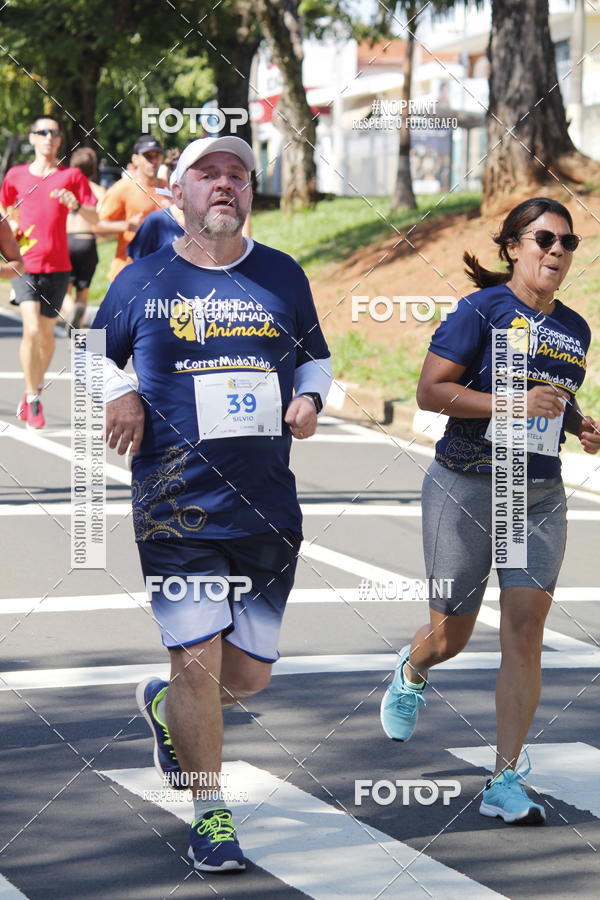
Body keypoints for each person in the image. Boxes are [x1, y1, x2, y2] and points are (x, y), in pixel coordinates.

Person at [92, 135, 332, 871]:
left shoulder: (282, 275)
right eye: (208, 173)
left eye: (237, 175)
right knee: (195, 660)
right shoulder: (142, 279)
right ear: (181, 192)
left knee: (249, 675)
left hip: (265, 504)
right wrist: (123, 390)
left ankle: (169, 711)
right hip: (176, 507)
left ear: (249, 192)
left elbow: (316, 355)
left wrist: (312, 396)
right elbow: (92, 351)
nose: (224, 184)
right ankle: (210, 811)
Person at [380, 197, 600, 825]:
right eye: (544, 239)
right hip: (466, 484)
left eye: (568, 243)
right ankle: (414, 665)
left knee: (525, 632)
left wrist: (581, 425)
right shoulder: (480, 310)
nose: (556, 251)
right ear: (513, 246)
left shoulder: (575, 328)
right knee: (451, 634)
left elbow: (553, 399)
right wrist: (512, 401)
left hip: (537, 494)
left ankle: (504, 778)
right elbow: (432, 391)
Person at [0, 115, 97, 428]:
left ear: (59, 141)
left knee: (46, 336)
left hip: (59, 266)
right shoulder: (15, 175)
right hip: (25, 266)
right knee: (30, 330)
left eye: (54, 133)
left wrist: (76, 206)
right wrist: (11, 225)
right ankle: (32, 397)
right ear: (32, 138)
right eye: (42, 132)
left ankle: (36, 386)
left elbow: (94, 216)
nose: (49, 137)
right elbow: (3, 208)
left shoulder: (70, 177)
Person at [96, 135, 169, 282]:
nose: (153, 161)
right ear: (135, 159)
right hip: (128, 273)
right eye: (148, 156)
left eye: (157, 156)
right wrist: (126, 225)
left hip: (163, 275)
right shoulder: (123, 187)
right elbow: (97, 226)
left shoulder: (168, 187)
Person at [62, 147, 106, 332]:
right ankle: (78, 340)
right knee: (83, 292)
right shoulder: (99, 190)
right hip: (88, 242)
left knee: (64, 290)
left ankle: (71, 310)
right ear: (93, 168)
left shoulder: (64, 189)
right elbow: (102, 220)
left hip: (66, 241)